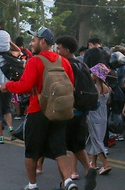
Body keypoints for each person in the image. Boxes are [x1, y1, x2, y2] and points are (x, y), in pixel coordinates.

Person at [4, 27, 78, 190]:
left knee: (31, 150)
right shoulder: (63, 61)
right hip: (59, 111)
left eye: (34, 40)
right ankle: (68, 180)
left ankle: (32, 184)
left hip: (38, 110)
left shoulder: (35, 61)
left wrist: (7, 85)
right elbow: (71, 84)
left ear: (42, 41)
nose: (31, 43)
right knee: (60, 149)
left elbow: (25, 86)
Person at [55, 35, 103, 190]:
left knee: (60, 149)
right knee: (77, 145)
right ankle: (89, 169)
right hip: (82, 111)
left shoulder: (65, 64)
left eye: (59, 48)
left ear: (66, 50)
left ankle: (65, 182)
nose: (57, 50)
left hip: (69, 111)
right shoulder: (81, 64)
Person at [87, 63, 112, 176]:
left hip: (93, 115)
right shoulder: (107, 88)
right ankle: (94, 163)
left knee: (96, 139)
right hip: (103, 116)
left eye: (92, 73)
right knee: (97, 138)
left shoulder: (94, 88)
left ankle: (106, 164)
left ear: (96, 75)